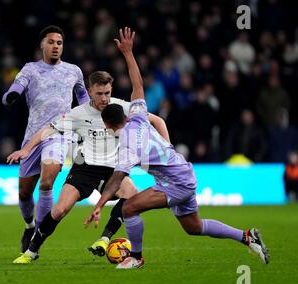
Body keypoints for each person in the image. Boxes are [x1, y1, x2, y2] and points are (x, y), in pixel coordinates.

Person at [85, 27, 270, 269]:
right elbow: (137, 86)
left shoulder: (127, 146)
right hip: (182, 172)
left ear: (107, 124)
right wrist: (129, 53)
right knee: (194, 227)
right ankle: (247, 236)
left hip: (176, 183)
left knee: (129, 208)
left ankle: (136, 258)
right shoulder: (138, 116)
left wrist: (99, 205)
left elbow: (117, 178)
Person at [7, 71, 169, 263]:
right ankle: (31, 252)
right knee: (59, 210)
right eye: (100, 94)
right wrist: (26, 150)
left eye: (107, 93)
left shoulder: (122, 107)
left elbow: (158, 120)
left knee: (132, 195)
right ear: (90, 91)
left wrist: (167, 149)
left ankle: (104, 239)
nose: (104, 98)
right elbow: (47, 129)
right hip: (84, 169)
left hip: (113, 170)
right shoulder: (78, 114)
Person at [2, 25, 90, 257]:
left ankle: (36, 239)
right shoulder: (30, 69)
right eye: (51, 42)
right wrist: (12, 95)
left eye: (59, 43)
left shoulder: (74, 71)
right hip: (33, 135)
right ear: (42, 45)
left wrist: (91, 115)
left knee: (48, 180)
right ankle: (29, 226)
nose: (55, 46)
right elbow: (16, 87)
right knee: (24, 192)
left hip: (61, 133)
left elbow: (83, 97)